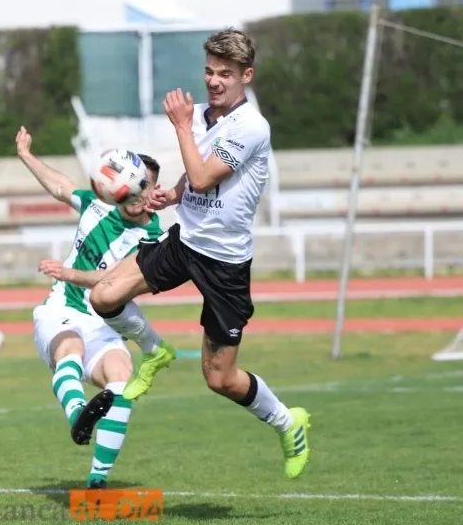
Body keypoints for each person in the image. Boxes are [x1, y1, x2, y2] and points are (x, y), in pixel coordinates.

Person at [80, 28, 312, 479]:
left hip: (224, 263)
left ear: (247, 75)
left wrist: (183, 129)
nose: (214, 81)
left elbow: (206, 176)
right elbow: (195, 176)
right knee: (104, 296)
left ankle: (289, 422)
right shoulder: (203, 116)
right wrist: (172, 196)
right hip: (184, 242)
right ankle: (155, 351)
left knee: (220, 378)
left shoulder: (252, 127)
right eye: (209, 71)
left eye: (225, 73)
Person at [16, 125, 169, 489]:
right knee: (70, 348)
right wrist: (25, 155)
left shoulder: (153, 240)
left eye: (145, 186)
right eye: (134, 185)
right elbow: (59, 186)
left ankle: (98, 481)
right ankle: (78, 418)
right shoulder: (98, 206)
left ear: (154, 192)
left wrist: (69, 271)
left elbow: (114, 281)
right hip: (61, 311)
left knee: (121, 376)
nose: (138, 193)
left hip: (104, 323)